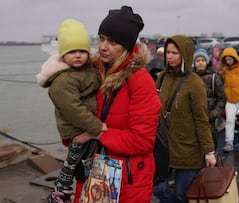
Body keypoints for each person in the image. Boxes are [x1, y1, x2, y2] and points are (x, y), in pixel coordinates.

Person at [71, 6, 162, 203]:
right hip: (92, 173)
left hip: (127, 184)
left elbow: (142, 140)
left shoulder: (140, 81)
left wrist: (98, 132)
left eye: (112, 42)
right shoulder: (93, 73)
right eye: (101, 38)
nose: (103, 46)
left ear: (127, 46)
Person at [36, 19, 107, 203]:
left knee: (74, 162)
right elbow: (74, 110)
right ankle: (62, 191)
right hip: (78, 128)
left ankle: (64, 189)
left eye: (82, 51)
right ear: (62, 54)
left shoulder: (86, 70)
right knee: (84, 167)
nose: (78, 55)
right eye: (72, 51)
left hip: (85, 127)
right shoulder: (62, 82)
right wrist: (98, 127)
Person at [153, 35, 216, 203]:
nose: (170, 56)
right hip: (164, 146)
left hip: (188, 149)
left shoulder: (195, 83)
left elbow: (201, 120)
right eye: (168, 52)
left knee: (183, 195)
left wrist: (209, 152)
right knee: (158, 189)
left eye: (175, 53)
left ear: (185, 55)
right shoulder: (162, 77)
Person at [193, 48, 226, 149]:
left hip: (210, 120)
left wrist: (212, 115)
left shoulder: (214, 78)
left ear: (206, 62)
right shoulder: (190, 78)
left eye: (202, 60)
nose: (200, 63)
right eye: (198, 61)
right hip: (194, 119)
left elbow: (221, 99)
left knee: (210, 146)